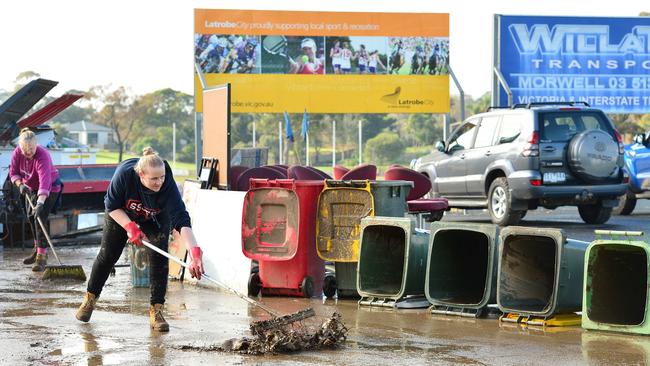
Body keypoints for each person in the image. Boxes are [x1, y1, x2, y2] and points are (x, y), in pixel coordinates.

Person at [75, 147, 205, 332]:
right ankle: (90, 299)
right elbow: (111, 204)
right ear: (141, 175)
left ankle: (156, 311)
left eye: (161, 177)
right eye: (154, 179)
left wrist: (194, 252)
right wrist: (130, 227)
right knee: (108, 255)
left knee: (159, 259)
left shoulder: (166, 185)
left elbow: (181, 219)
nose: (159, 182)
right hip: (121, 213)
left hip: (155, 218)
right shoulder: (125, 175)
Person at [9, 128, 62, 272]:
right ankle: (36, 248)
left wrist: (40, 203)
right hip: (30, 187)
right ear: (20, 147)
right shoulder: (17, 154)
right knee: (31, 217)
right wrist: (20, 184)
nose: (28, 152)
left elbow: (45, 182)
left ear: (36, 145)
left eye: (31, 149)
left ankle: (41, 258)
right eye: (25, 149)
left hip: (50, 188)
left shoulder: (42, 155)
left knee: (40, 218)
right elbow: (13, 172)